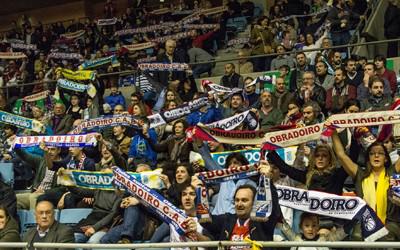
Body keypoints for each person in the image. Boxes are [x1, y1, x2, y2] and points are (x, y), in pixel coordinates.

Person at [332, 130, 400, 240]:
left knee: (386, 235)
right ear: (368, 158)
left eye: (380, 153)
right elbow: (341, 155)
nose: (376, 156)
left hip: (390, 223)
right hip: (364, 220)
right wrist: (332, 131)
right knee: (357, 235)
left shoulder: (392, 172)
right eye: (372, 153)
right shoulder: (360, 174)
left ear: (386, 158)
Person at [199, 162, 281, 242]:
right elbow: (205, 220)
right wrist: (199, 191)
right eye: (237, 200)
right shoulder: (227, 220)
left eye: (244, 200)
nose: (239, 204)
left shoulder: (262, 221)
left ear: (254, 203)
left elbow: (274, 207)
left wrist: (268, 181)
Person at [279, 212, 347, 249]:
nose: (310, 229)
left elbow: (340, 233)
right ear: (301, 227)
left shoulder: (324, 239)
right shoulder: (296, 238)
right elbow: (284, 227)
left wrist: (354, 220)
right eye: (307, 225)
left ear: (318, 227)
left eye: (314, 226)